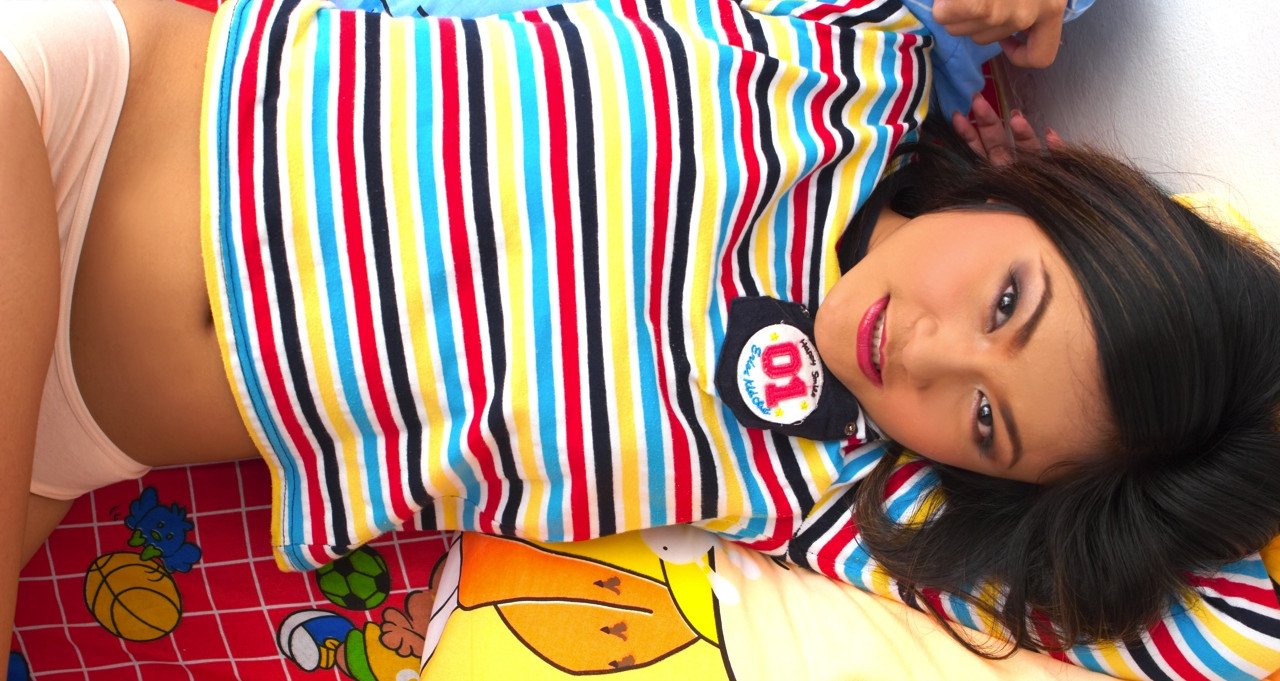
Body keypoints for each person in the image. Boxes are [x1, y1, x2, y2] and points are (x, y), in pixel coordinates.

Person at [1, 0, 1277, 675]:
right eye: (1005, 302)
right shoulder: (845, 57)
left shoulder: (832, 487)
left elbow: (1227, 637)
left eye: (985, 422)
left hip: (66, 444)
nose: (934, 355)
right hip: (71, 112)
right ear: (1034, 195)